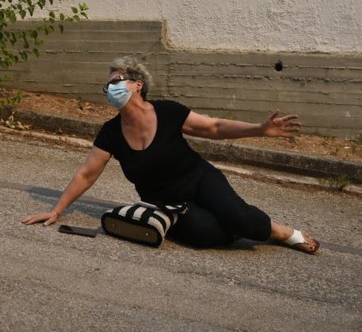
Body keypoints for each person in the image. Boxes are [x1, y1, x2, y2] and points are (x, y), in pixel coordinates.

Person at [21, 55, 320, 254]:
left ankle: (281, 232)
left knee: (239, 216)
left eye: (117, 81)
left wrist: (259, 129)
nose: (110, 87)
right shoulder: (111, 132)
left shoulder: (167, 111)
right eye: (107, 85)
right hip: (166, 202)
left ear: (138, 85)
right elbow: (87, 173)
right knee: (205, 236)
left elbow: (214, 127)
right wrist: (57, 210)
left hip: (199, 178)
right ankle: (238, 227)